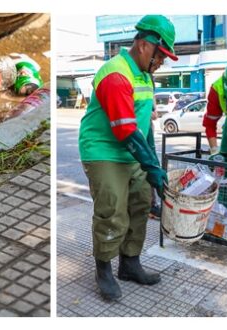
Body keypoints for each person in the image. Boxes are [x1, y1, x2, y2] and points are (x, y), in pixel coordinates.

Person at [78, 15, 177, 301]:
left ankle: (130, 263)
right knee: (112, 208)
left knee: (140, 202)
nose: (162, 63)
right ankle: (104, 269)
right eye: (161, 56)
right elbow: (125, 131)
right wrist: (151, 167)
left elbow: (143, 127)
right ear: (146, 46)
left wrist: (153, 167)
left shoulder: (145, 75)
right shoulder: (115, 75)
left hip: (130, 148)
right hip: (103, 150)